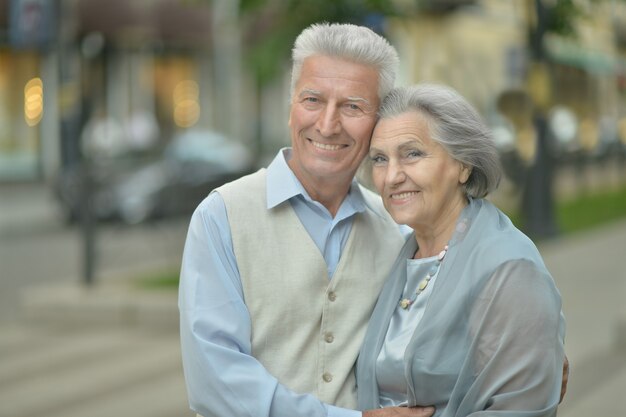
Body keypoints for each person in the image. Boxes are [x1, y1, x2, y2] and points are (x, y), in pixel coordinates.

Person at [178, 23, 435, 417]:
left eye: (352, 106)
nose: (328, 124)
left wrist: (522, 362)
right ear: (291, 106)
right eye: (312, 99)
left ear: (378, 124)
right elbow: (215, 383)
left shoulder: (397, 229)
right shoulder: (221, 217)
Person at [357, 83, 566, 416]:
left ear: (463, 164)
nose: (391, 176)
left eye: (412, 153)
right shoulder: (405, 252)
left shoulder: (508, 268)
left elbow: (523, 408)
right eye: (380, 159)